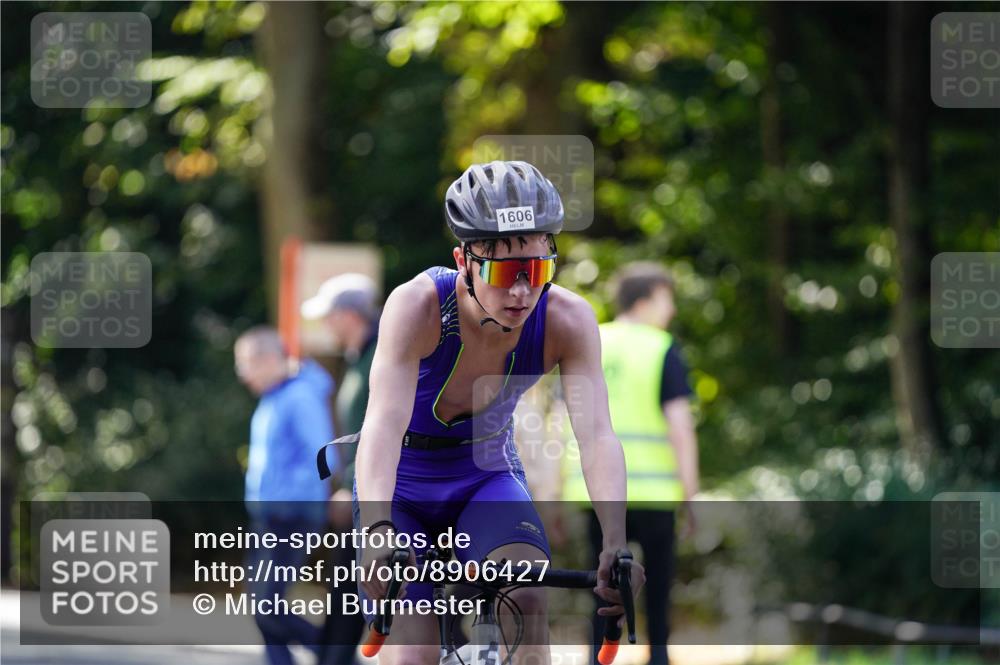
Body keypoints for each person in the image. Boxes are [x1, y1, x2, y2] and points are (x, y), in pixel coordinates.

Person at [349, 160, 645, 665]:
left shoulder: (567, 319)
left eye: (538, 270)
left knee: (527, 598)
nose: (522, 292)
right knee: (413, 652)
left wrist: (615, 543)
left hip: (484, 476)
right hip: (402, 483)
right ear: (463, 260)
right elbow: (381, 425)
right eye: (507, 272)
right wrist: (377, 529)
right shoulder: (418, 307)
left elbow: (596, 436)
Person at [563, 263, 700, 665]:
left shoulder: (593, 341)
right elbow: (680, 427)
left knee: (600, 586)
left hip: (597, 494)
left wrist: (553, 490)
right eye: (667, 299)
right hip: (655, 494)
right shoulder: (660, 347)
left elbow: (560, 420)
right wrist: (691, 494)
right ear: (649, 297)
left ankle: (596, 658)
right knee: (657, 592)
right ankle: (657, 658)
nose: (670, 310)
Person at [235, 326, 337, 665]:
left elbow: (324, 458)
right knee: (262, 605)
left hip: (290, 515)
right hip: (270, 516)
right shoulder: (274, 397)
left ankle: (335, 655)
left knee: (266, 605)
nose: (242, 375)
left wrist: (285, 502)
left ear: (267, 359)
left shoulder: (300, 397)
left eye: (245, 364)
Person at [302, 274, 380, 665]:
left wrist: (349, 485)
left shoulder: (379, 354)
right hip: (360, 494)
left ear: (349, 315)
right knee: (344, 595)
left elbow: (379, 428)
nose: (326, 325)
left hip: (374, 496)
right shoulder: (359, 357)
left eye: (329, 315)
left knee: (351, 594)